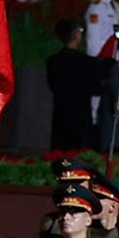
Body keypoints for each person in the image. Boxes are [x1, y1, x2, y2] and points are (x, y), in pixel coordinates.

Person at [46, 18, 98, 149]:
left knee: (61, 156)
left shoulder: (53, 61)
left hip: (61, 116)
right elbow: (94, 87)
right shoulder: (85, 61)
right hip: (82, 117)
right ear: (75, 35)